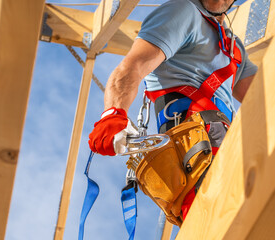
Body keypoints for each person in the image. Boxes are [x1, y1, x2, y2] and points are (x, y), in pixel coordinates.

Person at [88, 0, 258, 222]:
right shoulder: (183, 11)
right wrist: (112, 114)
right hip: (196, 151)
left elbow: (264, 94)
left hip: (229, 146)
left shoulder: (234, 48)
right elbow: (134, 65)